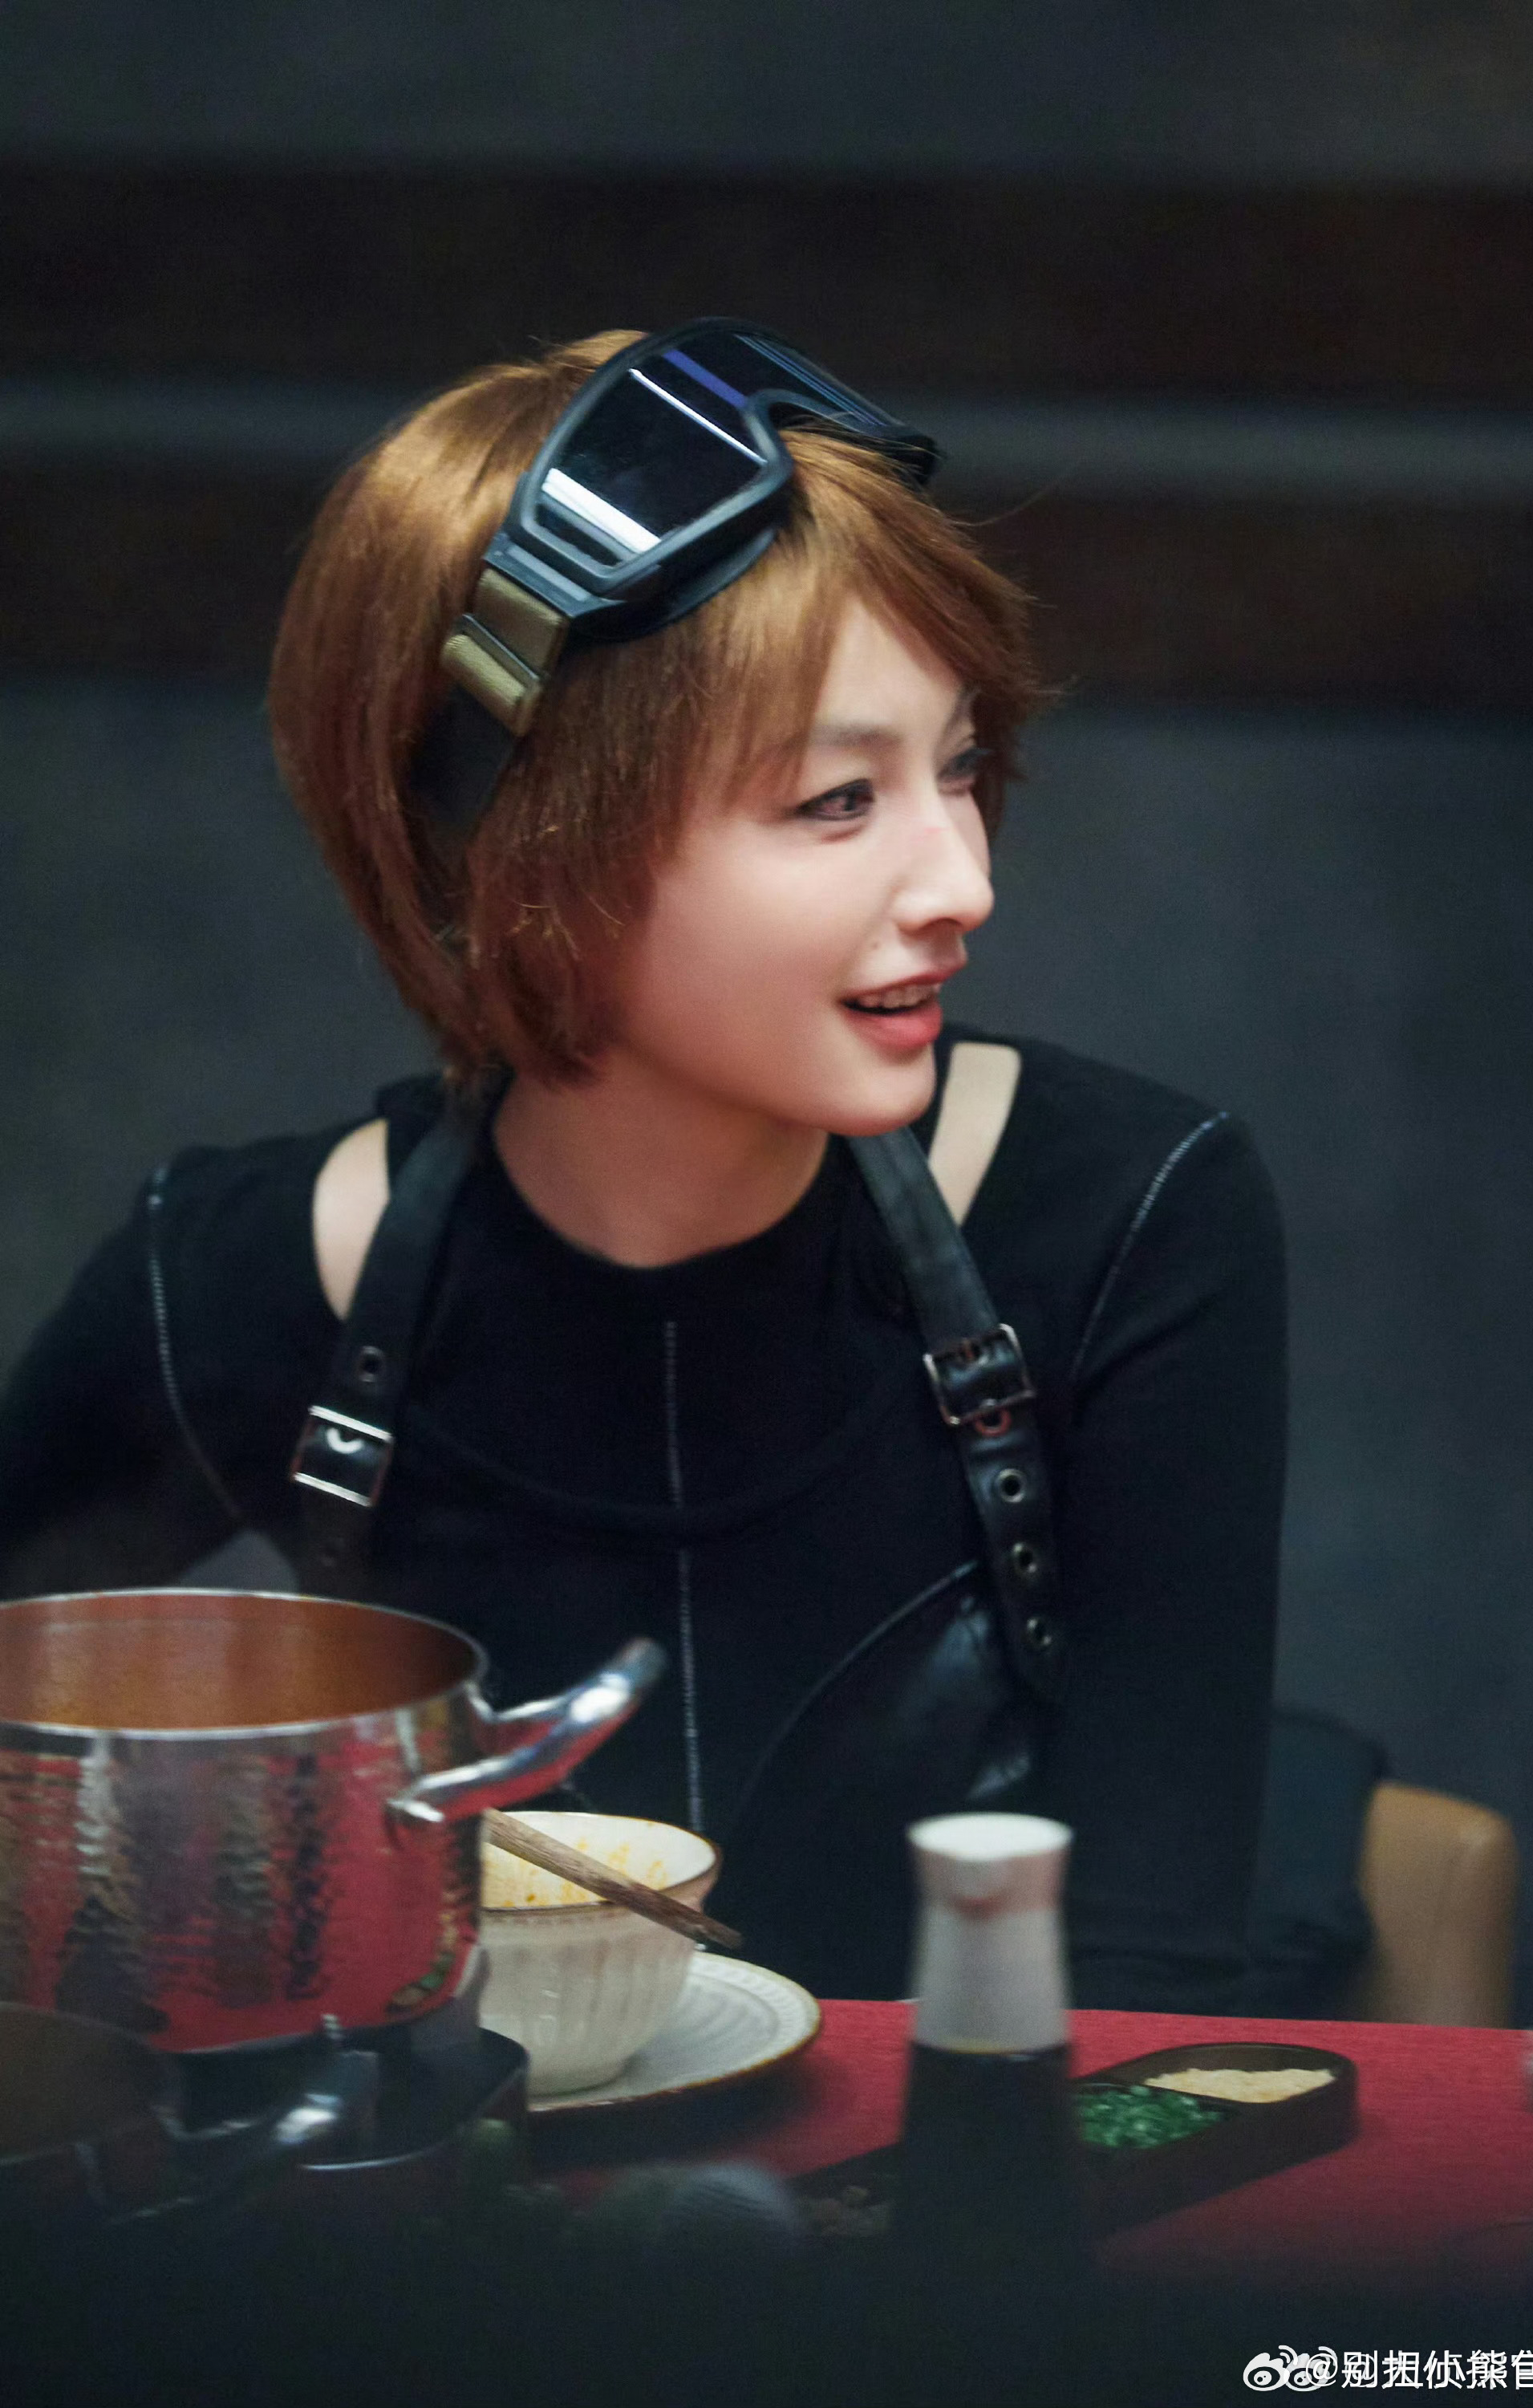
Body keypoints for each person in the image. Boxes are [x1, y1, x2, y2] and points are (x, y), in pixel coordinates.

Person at [0, 324, 1284, 2005]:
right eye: (838, 799)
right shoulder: (237, 1281)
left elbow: (1140, 1990)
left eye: (960, 767)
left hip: (984, 2170)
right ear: (522, 859)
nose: (962, 879)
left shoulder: (1126, 1220)